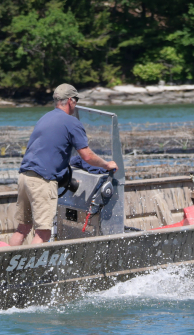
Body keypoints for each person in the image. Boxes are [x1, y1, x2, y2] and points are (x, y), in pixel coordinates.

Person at [9, 84, 118, 246]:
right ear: (70, 101)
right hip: (42, 181)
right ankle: (32, 271)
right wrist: (106, 165)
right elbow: (87, 156)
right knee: (43, 232)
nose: (76, 104)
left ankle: (7, 268)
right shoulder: (71, 122)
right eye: (76, 100)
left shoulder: (45, 117)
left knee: (23, 228)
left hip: (25, 176)